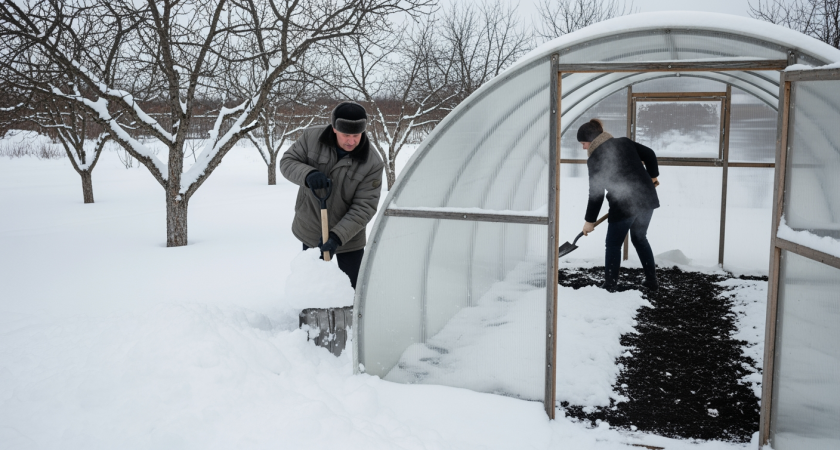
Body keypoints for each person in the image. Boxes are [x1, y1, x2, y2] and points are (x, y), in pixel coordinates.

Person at [280, 101, 384, 289]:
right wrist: (308, 174)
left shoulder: (372, 162)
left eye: (356, 135)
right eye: (346, 135)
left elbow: (365, 206)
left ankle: (349, 316)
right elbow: (287, 162)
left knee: (354, 288)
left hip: (349, 237)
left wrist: (337, 236)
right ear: (334, 128)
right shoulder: (311, 137)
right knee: (312, 285)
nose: (351, 141)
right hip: (311, 228)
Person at [578, 118, 660, 292]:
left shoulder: (595, 159)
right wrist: (652, 176)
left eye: (583, 143)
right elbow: (650, 154)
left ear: (591, 140)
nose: (583, 148)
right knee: (639, 238)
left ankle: (610, 285)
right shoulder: (624, 142)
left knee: (614, 244)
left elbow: (596, 193)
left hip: (624, 205)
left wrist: (589, 220)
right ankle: (652, 281)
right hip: (646, 199)